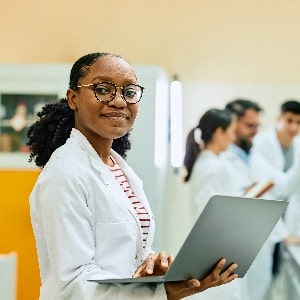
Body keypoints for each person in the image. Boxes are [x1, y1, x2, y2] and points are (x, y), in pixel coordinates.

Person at [26, 52, 238, 300]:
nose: (118, 101)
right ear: (73, 98)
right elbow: (75, 283)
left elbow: (122, 254)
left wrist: (151, 265)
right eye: (102, 89)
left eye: (129, 92)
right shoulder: (65, 173)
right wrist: (165, 290)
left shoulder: (119, 169)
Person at [221, 98, 300, 300]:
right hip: (232, 249)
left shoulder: (252, 156)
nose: (255, 131)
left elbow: (283, 186)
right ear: (232, 122)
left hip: (260, 246)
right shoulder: (220, 160)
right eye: (250, 126)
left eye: (257, 125)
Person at [183, 108, 246, 300]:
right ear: (219, 132)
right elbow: (209, 213)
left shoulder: (213, 162)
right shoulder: (210, 167)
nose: (233, 137)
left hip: (221, 248)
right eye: (231, 131)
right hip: (215, 251)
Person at [252, 100, 300, 297]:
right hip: (265, 223)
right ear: (278, 119)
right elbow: (278, 187)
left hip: (292, 223)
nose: (294, 127)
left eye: (299, 122)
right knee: (263, 283)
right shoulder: (260, 144)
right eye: (289, 120)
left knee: (290, 283)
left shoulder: (298, 145)